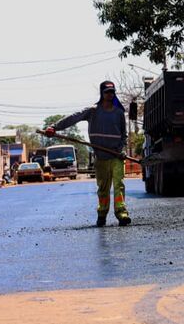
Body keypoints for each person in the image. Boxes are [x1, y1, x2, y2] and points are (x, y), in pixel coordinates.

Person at [46, 81, 131, 227]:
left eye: (112, 92)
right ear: (102, 93)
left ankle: (122, 214)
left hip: (116, 156)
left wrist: (120, 148)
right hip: (101, 158)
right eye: (107, 92)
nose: (110, 95)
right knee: (103, 188)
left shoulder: (119, 113)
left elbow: (124, 135)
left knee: (119, 185)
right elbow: (74, 117)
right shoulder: (93, 111)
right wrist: (54, 127)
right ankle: (102, 214)